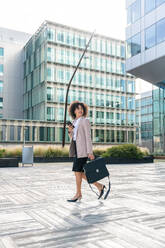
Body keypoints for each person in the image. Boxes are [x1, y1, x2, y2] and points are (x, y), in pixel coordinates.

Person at [67, 101, 105, 202]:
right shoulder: (74, 122)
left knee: (77, 172)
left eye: (81, 108)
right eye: (78, 108)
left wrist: (90, 152)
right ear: (73, 110)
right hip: (76, 150)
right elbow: (73, 138)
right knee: (78, 173)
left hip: (83, 151)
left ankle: (79, 194)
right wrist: (70, 131)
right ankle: (99, 186)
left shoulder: (85, 121)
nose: (80, 110)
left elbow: (88, 137)